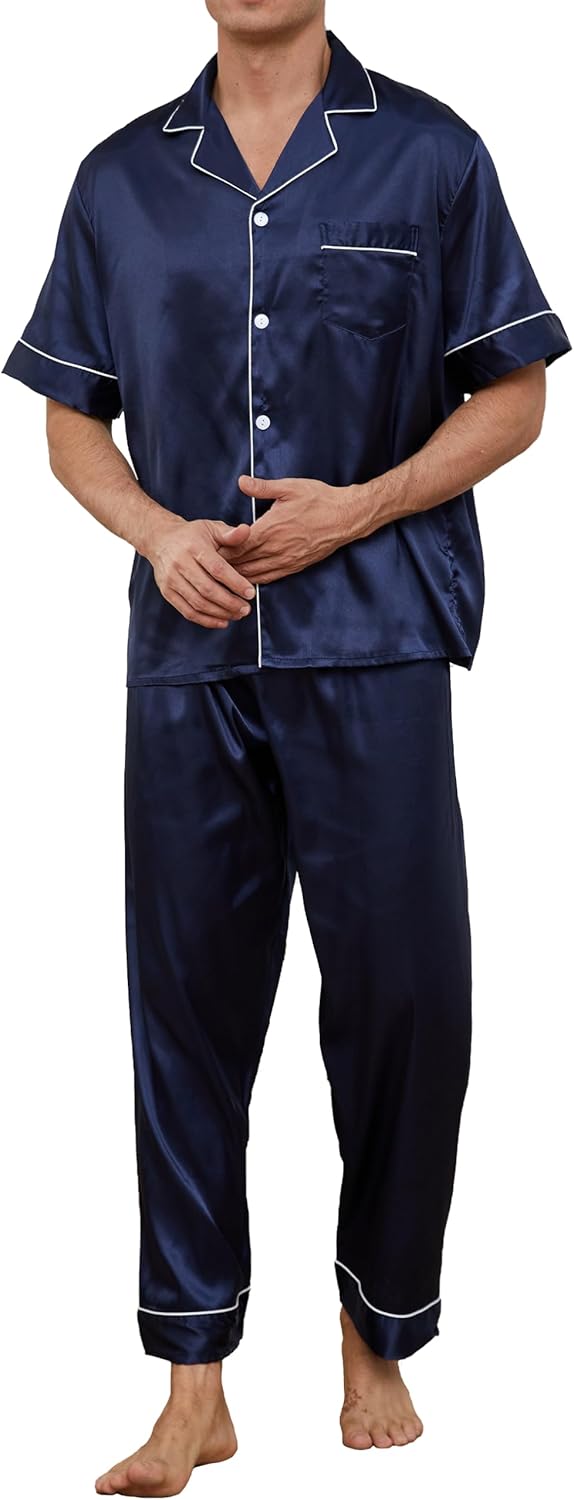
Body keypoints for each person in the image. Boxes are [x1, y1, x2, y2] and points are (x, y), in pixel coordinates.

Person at [3, 0, 571, 1493]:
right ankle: (194, 1381)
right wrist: (154, 532)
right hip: (188, 657)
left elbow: (514, 395)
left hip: (376, 636)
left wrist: (363, 505)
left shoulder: (431, 154)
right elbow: (70, 423)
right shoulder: (121, 177)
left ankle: (376, 1322)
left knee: (405, 997)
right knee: (184, 1008)